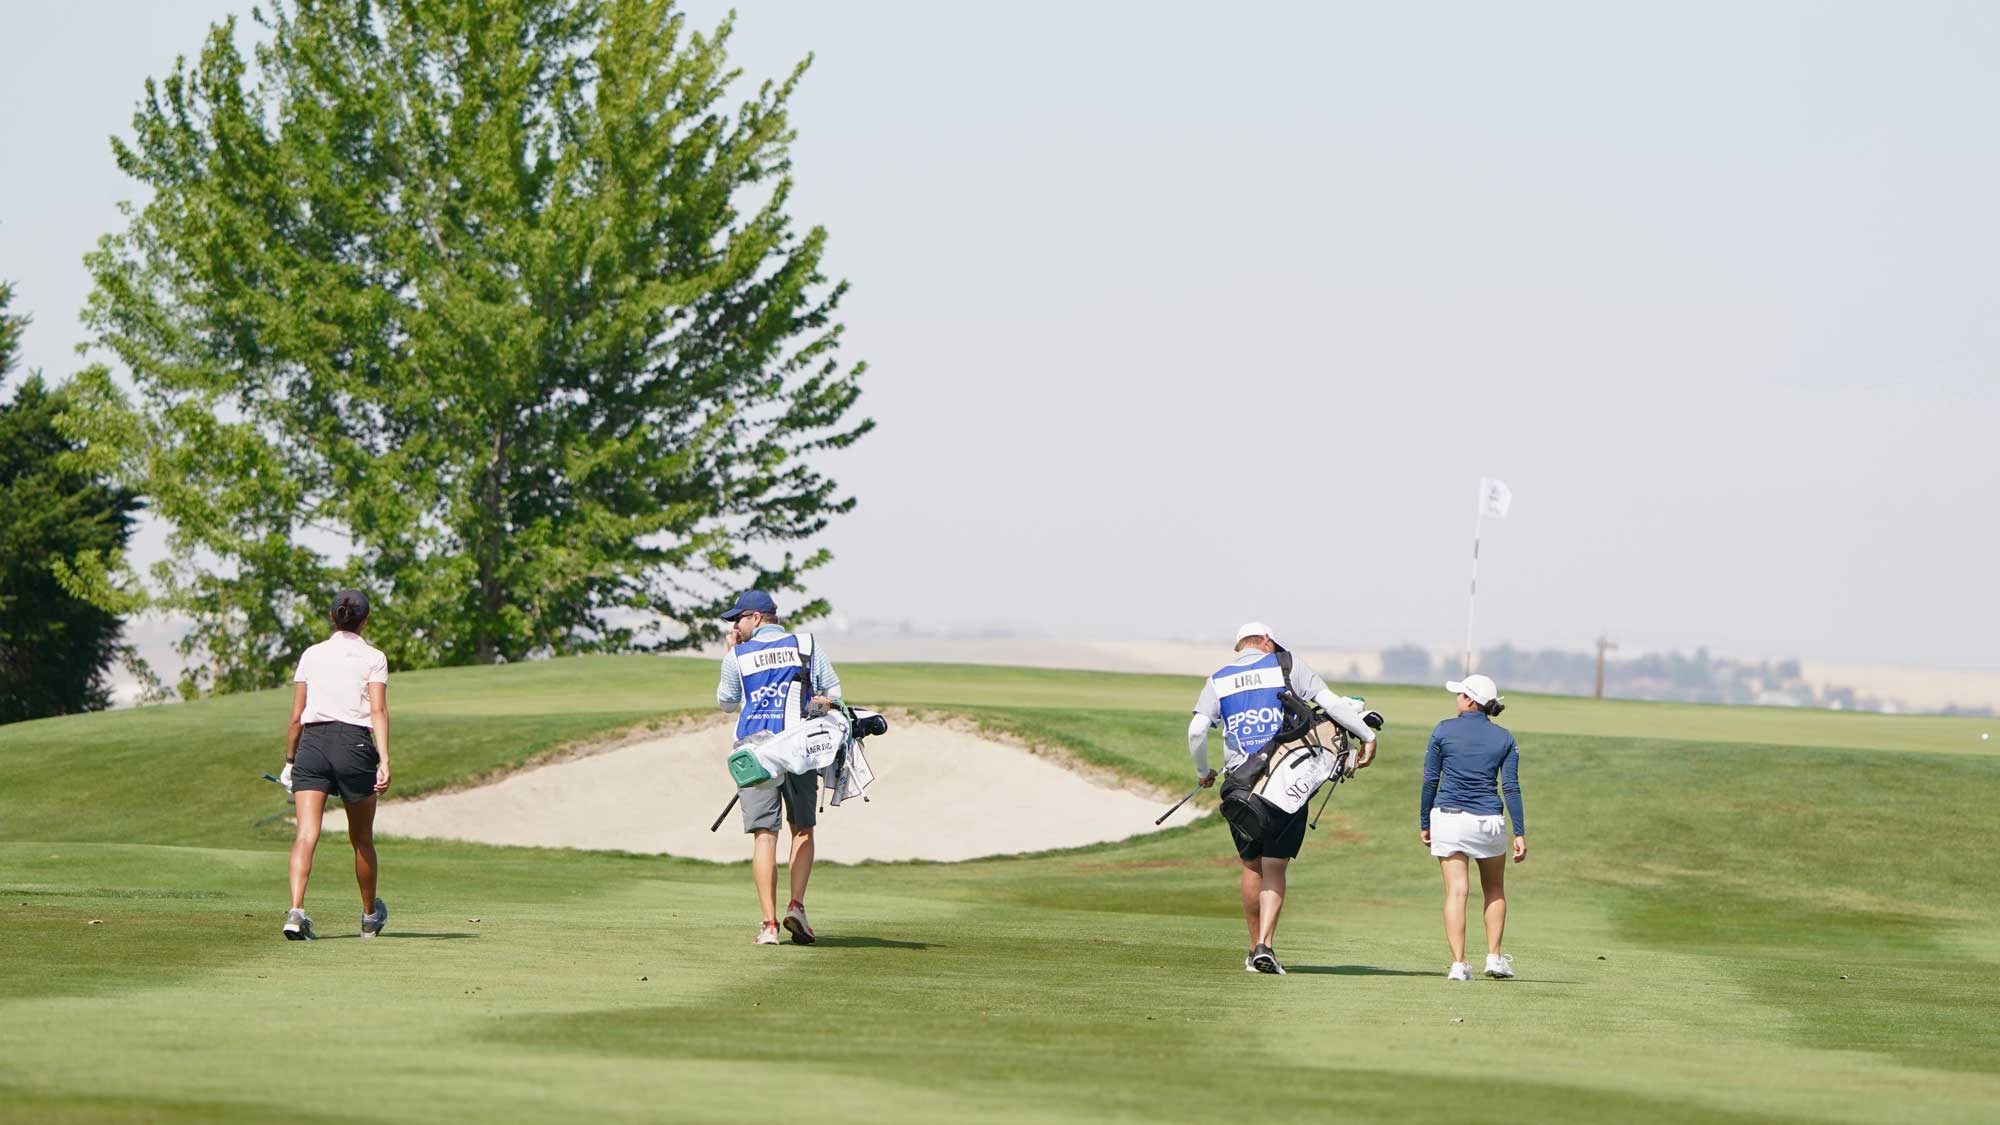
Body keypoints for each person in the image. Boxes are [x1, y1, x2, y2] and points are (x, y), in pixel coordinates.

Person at [1188, 622, 1379, 974]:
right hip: (1287, 781)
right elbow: (1331, 704)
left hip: (1240, 786)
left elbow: (1197, 729)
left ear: (1238, 647)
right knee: (1275, 865)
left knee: (1251, 865)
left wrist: (1203, 772)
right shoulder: (1285, 663)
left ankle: (1252, 949)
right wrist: (1366, 736)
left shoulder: (1218, 678)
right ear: (1266, 641)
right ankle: (1267, 945)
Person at [716, 590, 841, 946]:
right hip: (800, 749)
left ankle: (769, 926)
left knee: (764, 835)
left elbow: (726, 703)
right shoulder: (806, 645)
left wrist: (731, 653)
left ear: (756, 618)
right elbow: (832, 692)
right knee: (802, 829)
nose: (735, 626)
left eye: (737, 619)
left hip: (754, 756)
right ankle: (797, 907)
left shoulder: (737, 655)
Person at [279, 589, 391, 941]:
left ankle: (296, 912)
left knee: (305, 834)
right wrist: (384, 759)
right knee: (361, 840)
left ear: (332, 617)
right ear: (365, 620)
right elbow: (377, 711)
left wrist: (289, 761)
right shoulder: (374, 657)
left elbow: (296, 716)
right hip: (354, 746)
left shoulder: (311, 654)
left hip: (312, 745)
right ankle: (370, 916)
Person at [1419, 673, 1526, 981]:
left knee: (1456, 891)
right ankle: (1493, 957)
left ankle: (1459, 964)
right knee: (1494, 888)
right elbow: (1511, 788)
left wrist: (1424, 821)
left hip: (1448, 818)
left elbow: (1430, 781)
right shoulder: (1504, 737)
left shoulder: (1443, 729)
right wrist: (1519, 831)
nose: (1456, 699)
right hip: (1487, 821)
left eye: (1460, 695)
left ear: (1470, 700)